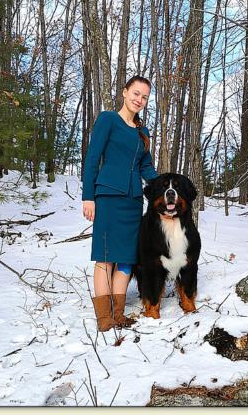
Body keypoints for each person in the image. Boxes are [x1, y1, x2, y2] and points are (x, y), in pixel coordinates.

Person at [82, 76, 159, 332]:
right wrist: (88, 196)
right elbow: (93, 158)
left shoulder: (143, 132)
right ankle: (104, 318)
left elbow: (145, 167)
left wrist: (165, 185)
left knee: (126, 259)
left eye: (145, 97)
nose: (139, 99)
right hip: (108, 198)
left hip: (134, 201)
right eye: (136, 93)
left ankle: (118, 315)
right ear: (125, 92)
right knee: (106, 258)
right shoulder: (108, 120)